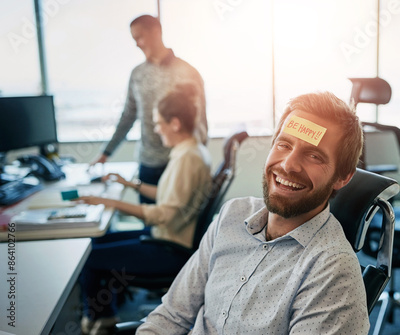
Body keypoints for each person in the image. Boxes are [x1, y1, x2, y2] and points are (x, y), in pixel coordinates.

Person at [137, 91, 370, 334]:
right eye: (284, 144)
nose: (289, 164)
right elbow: (173, 315)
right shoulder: (232, 215)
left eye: (314, 156)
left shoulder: (332, 272)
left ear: (343, 178)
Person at [78, 84, 212, 335]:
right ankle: (106, 314)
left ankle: (101, 321)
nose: (155, 128)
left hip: (169, 249)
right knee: (97, 241)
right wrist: (128, 183)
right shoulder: (191, 151)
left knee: (88, 257)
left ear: (174, 123)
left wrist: (110, 202)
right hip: (168, 239)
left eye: (158, 123)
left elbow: (162, 214)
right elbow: (167, 195)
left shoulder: (187, 159)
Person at [91, 14, 208, 203]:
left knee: (170, 222)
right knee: (150, 223)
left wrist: (196, 160)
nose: (137, 44)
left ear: (156, 32)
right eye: (134, 39)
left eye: (140, 37)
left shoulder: (187, 72)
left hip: (177, 161)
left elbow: (200, 121)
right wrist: (106, 153)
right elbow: (128, 116)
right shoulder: (137, 74)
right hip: (148, 162)